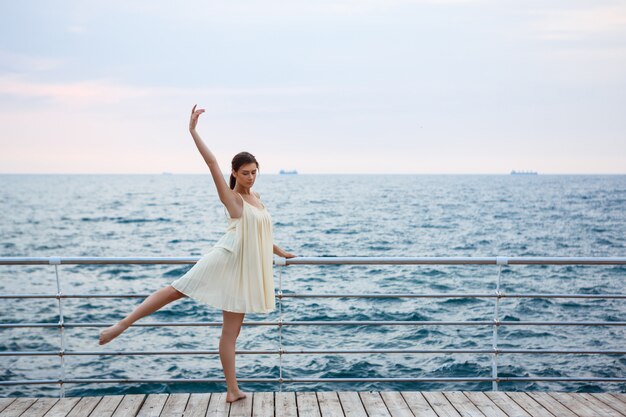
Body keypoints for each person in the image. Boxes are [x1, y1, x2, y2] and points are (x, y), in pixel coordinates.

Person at [98, 104, 297, 403]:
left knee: (231, 332)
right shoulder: (233, 199)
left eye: (255, 172)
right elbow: (212, 163)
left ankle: (232, 390)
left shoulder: (256, 197)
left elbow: (259, 232)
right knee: (176, 290)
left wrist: (280, 251)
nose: (251, 177)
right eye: (245, 173)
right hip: (226, 258)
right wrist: (192, 131)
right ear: (235, 173)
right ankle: (122, 324)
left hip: (243, 268)